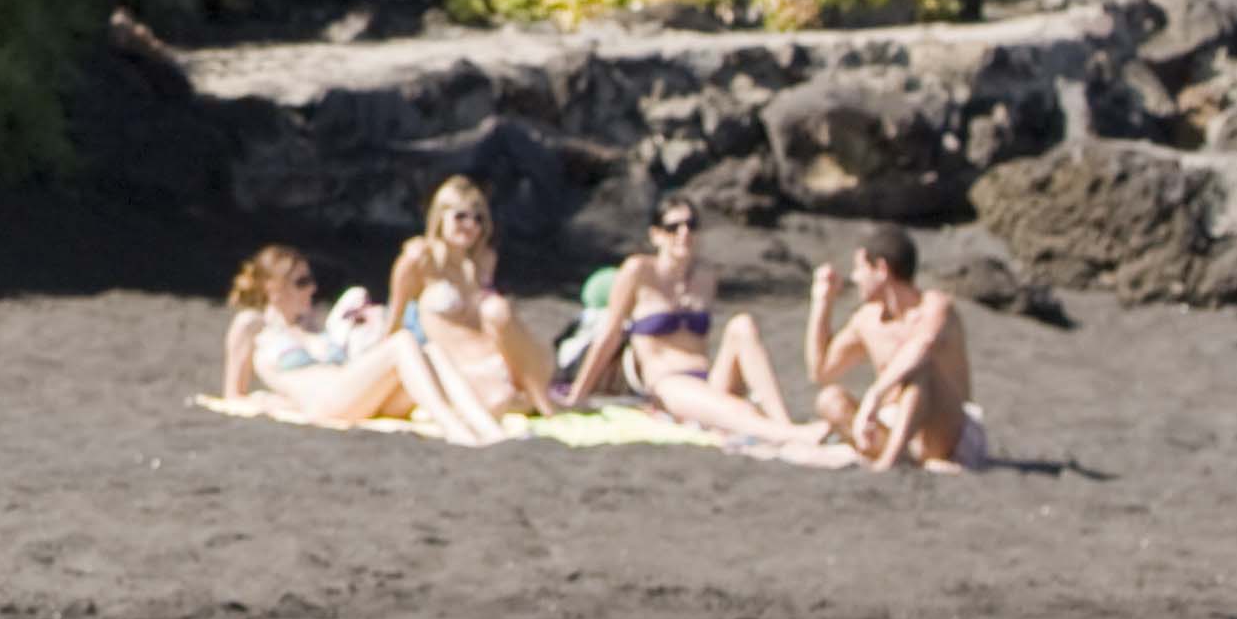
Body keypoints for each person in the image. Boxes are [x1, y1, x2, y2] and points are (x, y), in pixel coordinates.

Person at [558, 195, 843, 460]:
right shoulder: (638, 271)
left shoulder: (705, 277)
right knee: (738, 410)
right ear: (656, 235)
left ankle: (782, 423)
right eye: (673, 227)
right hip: (666, 383)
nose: (684, 234)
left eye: (690, 225)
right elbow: (609, 335)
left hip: (705, 377)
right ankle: (791, 435)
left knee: (742, 325)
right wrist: (578, 394)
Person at [212, 242, 492, 441]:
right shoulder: (253, 325)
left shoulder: (310, 325)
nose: (312, 289)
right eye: (302, 281)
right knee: (402, 342)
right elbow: (233, 396)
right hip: (324, 401)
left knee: (430, 351)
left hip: (347, 392)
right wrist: (270, 403)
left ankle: (484, 424)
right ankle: (453, 427)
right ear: (273, 288)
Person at [387, 172, 559, 430]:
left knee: (497, 310)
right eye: (460, 216)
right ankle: (533, 399)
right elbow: (395, 321)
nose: (470, 225)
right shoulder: (419, 260)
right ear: (440, 216)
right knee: (497, 399)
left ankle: (541, 400)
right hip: (458, 364)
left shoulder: (482, 262)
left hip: (499, 357)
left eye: (478, 218)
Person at [806, 227, 985, 471]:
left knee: (919, 371)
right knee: (830, 400)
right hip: (896, 428)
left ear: (880, 270)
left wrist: (874, 395)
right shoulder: (867, 321)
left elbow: (922, 347)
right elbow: (821, 372)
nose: (855, 278)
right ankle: (904, 457)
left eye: (860, 269)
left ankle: (888, 462)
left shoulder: (935, 307)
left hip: (948, 430)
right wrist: (822, 302)